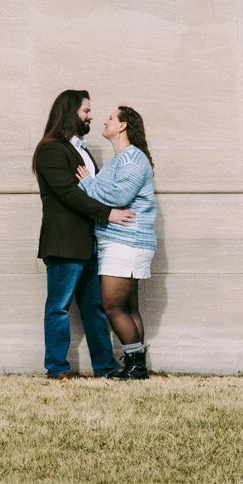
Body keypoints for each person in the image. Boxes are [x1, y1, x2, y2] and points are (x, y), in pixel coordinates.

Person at [32, 89, 136, 379]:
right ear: (69, 112)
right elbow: (68, 193)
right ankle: (57, 368)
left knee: (95, 308)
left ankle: (105, 366)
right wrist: (108, 213)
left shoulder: (82, 150)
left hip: (90, 243)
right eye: (86, 111)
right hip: (65, 243)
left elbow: (94, 190)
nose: (91, 116)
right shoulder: (51, 149)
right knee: (59, 307)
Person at [77, 105, 159, 380]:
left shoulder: (133, 159)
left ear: (123, 125)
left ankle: (136, 366)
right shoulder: (119, 159)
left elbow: (118, 196)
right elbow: (111, 193)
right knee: (127, 307)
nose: (105, 120)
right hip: (120, 241)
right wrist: (96, 187)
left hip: (127, 242)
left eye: (111, 118)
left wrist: (88, 184)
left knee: (112, 305)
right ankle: (136, 366)